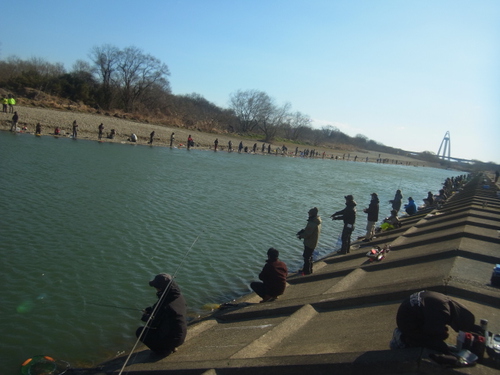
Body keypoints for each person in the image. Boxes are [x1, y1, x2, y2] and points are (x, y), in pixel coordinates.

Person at [390, 290, 475, 354]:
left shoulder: (445, 301)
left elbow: (431, 314)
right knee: (429, 343)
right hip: (407, 321)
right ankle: (403, 339)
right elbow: (433, 335)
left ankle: (405, 335)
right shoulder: (443, 312)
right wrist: (447, 350)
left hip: (408, 311)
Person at [136, 273, 188, 357]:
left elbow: (153, 323)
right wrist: (150, 310)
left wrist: (145, 316)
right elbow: (159, 308)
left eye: (156, 287)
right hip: (181, 336)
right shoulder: (177, 296)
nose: (155, 288)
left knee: (140, 331)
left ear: (160, 288)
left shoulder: (165, 305)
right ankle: (171, 347)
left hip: (173, 339)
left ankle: (162, 351)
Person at [297, 207, 322, 275]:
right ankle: (309, 270)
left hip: (309, 243)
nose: (308, 214)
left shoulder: (313, 222)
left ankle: (306, 271)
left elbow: (308, 234)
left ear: (311, 214)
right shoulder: (316, 221)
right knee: (310, 256)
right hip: (313, 242)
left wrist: (301, 235)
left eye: (309, 213)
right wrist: (303, 231)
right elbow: (309, 231)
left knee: (306, 257)